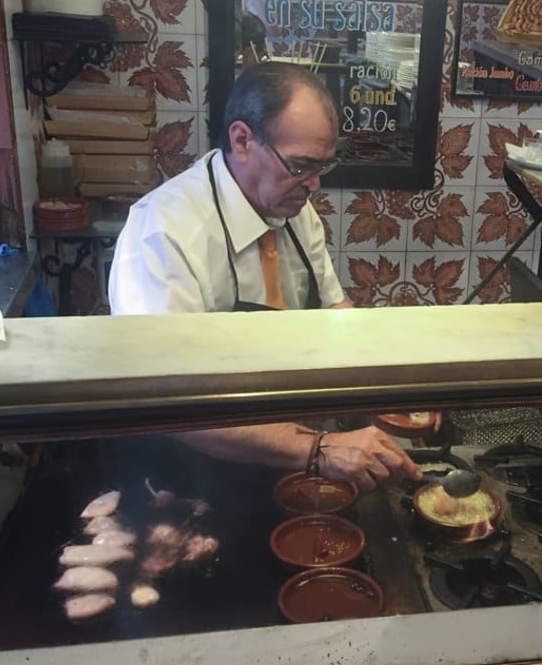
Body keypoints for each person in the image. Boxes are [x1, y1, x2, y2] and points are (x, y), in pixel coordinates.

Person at [108, 62, 421, 491]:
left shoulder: (293, 206)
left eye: (322, 168)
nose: (313, 187)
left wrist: (396, 396)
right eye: (299, 166)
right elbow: (165, 404)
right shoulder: (163, 232)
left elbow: (335, 315)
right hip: (193, 481)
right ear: (242, 140)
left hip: (289, 457)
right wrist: (322, 448)